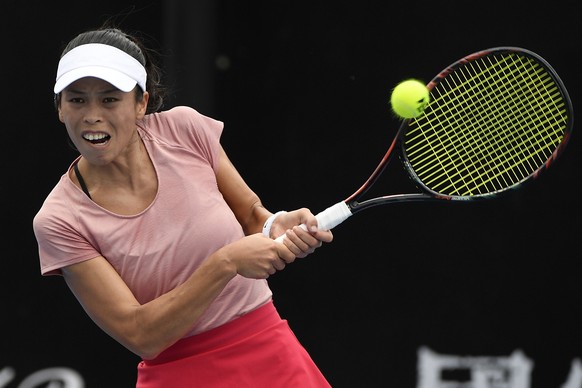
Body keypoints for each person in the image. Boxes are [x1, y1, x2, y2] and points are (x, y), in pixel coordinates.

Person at [33, 25, 334, 387]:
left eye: (110, 99)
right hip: (179, 375)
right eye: (77, 99)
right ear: (60, 109)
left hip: (271, 352)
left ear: (141, 103)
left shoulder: (185, 130)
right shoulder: (59, 221)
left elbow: (253, 216)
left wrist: (276, 226)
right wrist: (225, 262)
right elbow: (141, 335)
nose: (92, 114)